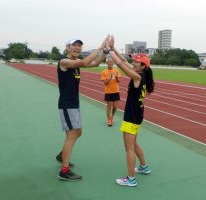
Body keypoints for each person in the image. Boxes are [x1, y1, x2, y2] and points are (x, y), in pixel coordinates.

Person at [56, 36, 109, 181]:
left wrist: (105, 50)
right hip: (67, 105)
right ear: (67, 47)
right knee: (72, 136)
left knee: (78, 133)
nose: (77, 48)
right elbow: (86, 61)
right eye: (74, 45)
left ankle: (62, 155)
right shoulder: (64, 62)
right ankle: (64, 171)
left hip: (74, 104)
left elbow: (96, 63)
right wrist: (99, 46)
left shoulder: (76, 64)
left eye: (79, 46)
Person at [107, 36, 155, 187]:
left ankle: (131, 179)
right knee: (134, 144)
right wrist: (114, 49)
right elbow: (124, 61)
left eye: (135, 61)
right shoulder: (143, 75)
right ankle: (144, 167)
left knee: (129, 148)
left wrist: (108, 50)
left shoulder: (137, 76)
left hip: (131, 117)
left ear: (142, 66)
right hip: (138, 115)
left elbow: (121, 64)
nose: (132, 62)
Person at [101, 55, 122, 126]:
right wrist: (110, 77)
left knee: (115, 107)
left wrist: (116, 77)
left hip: (116, 91)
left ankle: (111, 117)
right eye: (109, 62)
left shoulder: (116, 70)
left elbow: (119, 81)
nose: (110, 64)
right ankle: (109, 120)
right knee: (109, 106)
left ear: (113, 63)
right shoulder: (104, 71)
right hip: (108, 92)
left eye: (112, 62)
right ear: (107, 63)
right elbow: (105, 83)